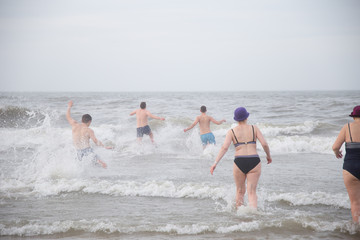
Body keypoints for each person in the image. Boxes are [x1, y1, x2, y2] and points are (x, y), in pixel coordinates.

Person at [210, 107, 272, 209]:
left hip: (239, 161)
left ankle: (240, 216)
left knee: (239, 191)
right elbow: (264, 144)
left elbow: (224, 147)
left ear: (236, 119)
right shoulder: (254, 128)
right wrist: (268, 156)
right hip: (254, 160)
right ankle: (253, 215)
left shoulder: (231, 131)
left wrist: (215, 163)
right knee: (252, 192)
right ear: (246, 117)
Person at [332, 105, 360, 223]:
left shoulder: (347, 127)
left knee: (355, 203)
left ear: (353, 117)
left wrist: (337, 153)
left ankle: (357, 229)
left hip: (350, 168)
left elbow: (335, 147)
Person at [66, 100, 110, 168]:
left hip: (78, 152)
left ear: (82, 120)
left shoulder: (74, 125)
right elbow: (96, 141)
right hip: (88, 152)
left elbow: (68, 116)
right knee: (103, 165)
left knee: (81, 169)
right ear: (89, 121)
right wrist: (104, 147)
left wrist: (69, 107)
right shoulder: (89, 130)